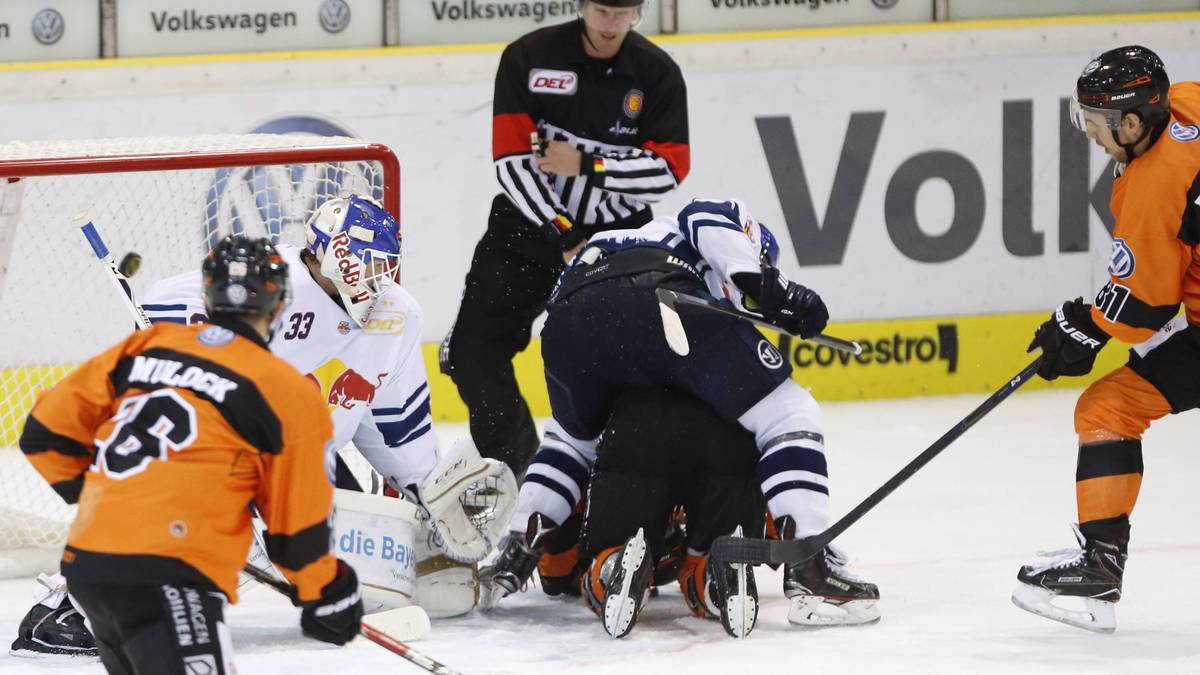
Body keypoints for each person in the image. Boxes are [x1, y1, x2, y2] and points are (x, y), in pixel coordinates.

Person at [11, 196, 515, 656]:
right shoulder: (272, 288)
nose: (378, 279)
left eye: (386, 267)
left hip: (303, 459)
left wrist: (426, 491)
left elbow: (394, 421)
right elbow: (168, 311)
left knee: (348, 553)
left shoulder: (397, 317)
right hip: (239, 458)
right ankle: (68, 609)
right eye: (369, 264)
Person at [481, 197, 881, 638]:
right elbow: (707, 216)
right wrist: (768, 286)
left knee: (577, 437)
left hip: (566, 323)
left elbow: (569, 444)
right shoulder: (706, 228)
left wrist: (521, 534)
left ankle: (532, 547)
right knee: (789, 412)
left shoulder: (612, 240)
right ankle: (809, 569)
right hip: (661, 298)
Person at [15, 236, 362, 673]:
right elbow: (296, 532)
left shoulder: (147, 345)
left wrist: (106, 501)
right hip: (169, 576)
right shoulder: (286, 389)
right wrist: (328, 591)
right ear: (278, 304)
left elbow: (43, 433)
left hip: (88, 564)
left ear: (207, 295)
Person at [441, 0, 690, 476]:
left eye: (626, 13)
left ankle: (617, 478)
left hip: (618, 242)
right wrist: (564, 231)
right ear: (581, 6)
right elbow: (511, 162)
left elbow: (667, 171)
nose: (612, 23)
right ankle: (517, 473)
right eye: (602, 10)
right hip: (528, 233)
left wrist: (587, 165)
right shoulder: (529, 58)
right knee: (473, 354)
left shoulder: (656, 73)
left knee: (630, 363)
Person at [1012, 45, 1200, 634]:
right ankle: (1100, 562)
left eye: (1096, 124)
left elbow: (1143, 309)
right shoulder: (1188, 100)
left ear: (1133, 122)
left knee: (1109, 408)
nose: (1089, 133)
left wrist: (1080, 329)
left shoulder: (1154, 184)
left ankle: (1100, 564)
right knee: (1112, 400)